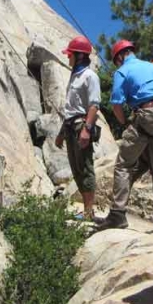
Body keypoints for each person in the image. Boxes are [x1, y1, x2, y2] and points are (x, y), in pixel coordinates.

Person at [96, 40, 153, 231]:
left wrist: (126, 124)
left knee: (124, 164)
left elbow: (117, 104)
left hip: (148, 114)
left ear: (119, 57)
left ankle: (118, 214)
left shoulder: (122, 71)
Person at [55, 35, 101, 222]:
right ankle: (86, 209)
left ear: (80, 56)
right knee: (76, 169)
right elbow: (70, 109)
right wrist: (60, 134)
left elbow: (94, 105)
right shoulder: (74, 76)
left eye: (71, 54)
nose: (68, 57)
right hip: (70, 126)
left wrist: (86, 129)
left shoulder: (90, 76)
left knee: (85, 168)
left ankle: (89, 211)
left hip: (80, 126)